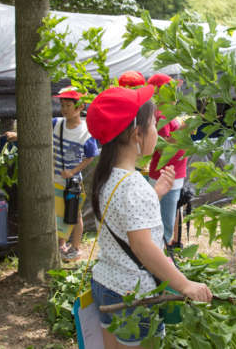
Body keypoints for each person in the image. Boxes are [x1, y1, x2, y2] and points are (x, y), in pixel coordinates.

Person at [86, 85, 212, 348]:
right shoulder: (135, 186)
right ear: (137, 134)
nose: (159, 131)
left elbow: (124, 218)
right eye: (154, 124)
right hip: (133, 294)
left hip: (106, 283)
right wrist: (184, 284)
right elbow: (142, 245)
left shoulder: (105, 176)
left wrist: (156, 193)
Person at [6, 87, 100, 261]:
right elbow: (36, 133)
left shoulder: (86, 132)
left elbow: (90, 156)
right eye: (62, 105)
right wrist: (17, 135)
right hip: (53, 178)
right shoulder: (56, 123)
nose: (64, 109)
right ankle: (60, 244)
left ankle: (76, 247)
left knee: (74, 214)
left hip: (72, 182)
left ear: (80, 107)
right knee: (58, 212)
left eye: (68, 105)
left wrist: (73, 171)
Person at [147, 73, 187, 245]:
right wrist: (185, 127)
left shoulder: (170, 113)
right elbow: (164, 144)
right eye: (171, 89)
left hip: (173, 175)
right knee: (164, 221)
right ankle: (160, 254)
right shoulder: (160, 115)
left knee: (169, 216)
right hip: (166, 176)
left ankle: (162, 251)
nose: (176, 93)